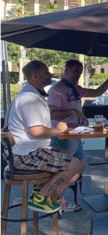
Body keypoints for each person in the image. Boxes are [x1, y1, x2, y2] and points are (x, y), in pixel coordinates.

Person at [7, 61, 80, 213]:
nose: (51, 75)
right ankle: (41, 197)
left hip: (22, 154)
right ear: (35, 75)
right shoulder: (29, 99)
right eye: (47, 73)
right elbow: (37, 131)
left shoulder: (25, 94)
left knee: (70, 157)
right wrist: (58, 129)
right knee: (75, 165)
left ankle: (42, 193)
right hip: (27, 157)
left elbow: (8, 117)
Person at [48, 59, 108, 213]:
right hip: (62, 135)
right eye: (74, 71)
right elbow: (51, 113)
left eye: (79, 72)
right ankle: (55, 199)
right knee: (64, 169)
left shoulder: (75, 88)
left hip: (75, 134)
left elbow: (99, 91)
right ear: (66, 70)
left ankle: (58, 195)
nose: (77, 75)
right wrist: (72, 112)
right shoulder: (57, 89)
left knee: (81, 165)